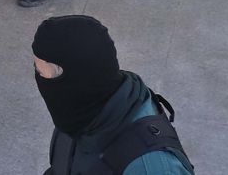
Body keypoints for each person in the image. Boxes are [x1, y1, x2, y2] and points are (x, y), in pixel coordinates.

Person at [32, 15, 194, 174]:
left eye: (40, 72)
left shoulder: (151, 167)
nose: (38, 77)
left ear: (73, 78)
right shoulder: (79, 110)